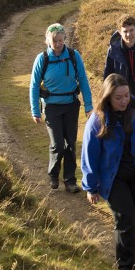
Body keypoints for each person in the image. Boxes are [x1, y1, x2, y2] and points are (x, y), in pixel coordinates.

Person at [81, 73, 135, 270]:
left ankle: (126, 245)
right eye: (118, 97)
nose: (124, 101)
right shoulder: (97, 119)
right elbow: (89, 153)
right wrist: (91, 186)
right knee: (125, 218)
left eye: (126, 96)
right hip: (112, 177)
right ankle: (125, 267)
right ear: (108, 97)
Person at [29, 23, 93, 193]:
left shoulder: (74, 56)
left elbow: (84, 81)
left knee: (70, 144)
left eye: (60, 40)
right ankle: (53, 174)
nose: (57, 44)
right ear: (47, 41)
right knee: (57, 144)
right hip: (51, 107)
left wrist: (89, 106)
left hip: (71, 105)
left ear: (64, 38)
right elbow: (34, 85)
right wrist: (35, 110)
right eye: (54, 40)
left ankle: (70, 180)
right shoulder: (42, 59)